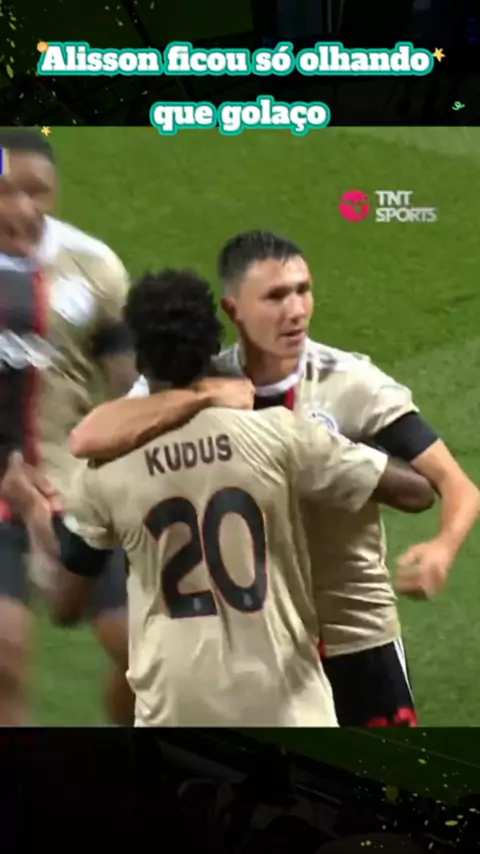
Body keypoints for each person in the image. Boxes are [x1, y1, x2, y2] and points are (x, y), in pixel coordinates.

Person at [69, 231, 480, 727]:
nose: (296, 310)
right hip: (269, 649)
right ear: (234, 310)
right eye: (276, 296)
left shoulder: (350, 383)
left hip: (355, 633)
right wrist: (203, 398)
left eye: (303, 290)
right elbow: (91, 435)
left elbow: (455, 486)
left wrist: (442, 548)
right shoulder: (206, 379)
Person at [0, 127, 140, 725]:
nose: (21, 206)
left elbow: (129, 388)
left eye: (37, 191)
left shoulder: (93, 266)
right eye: (5, 190)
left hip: (74, 483)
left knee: (140, 654)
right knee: (4, 656)